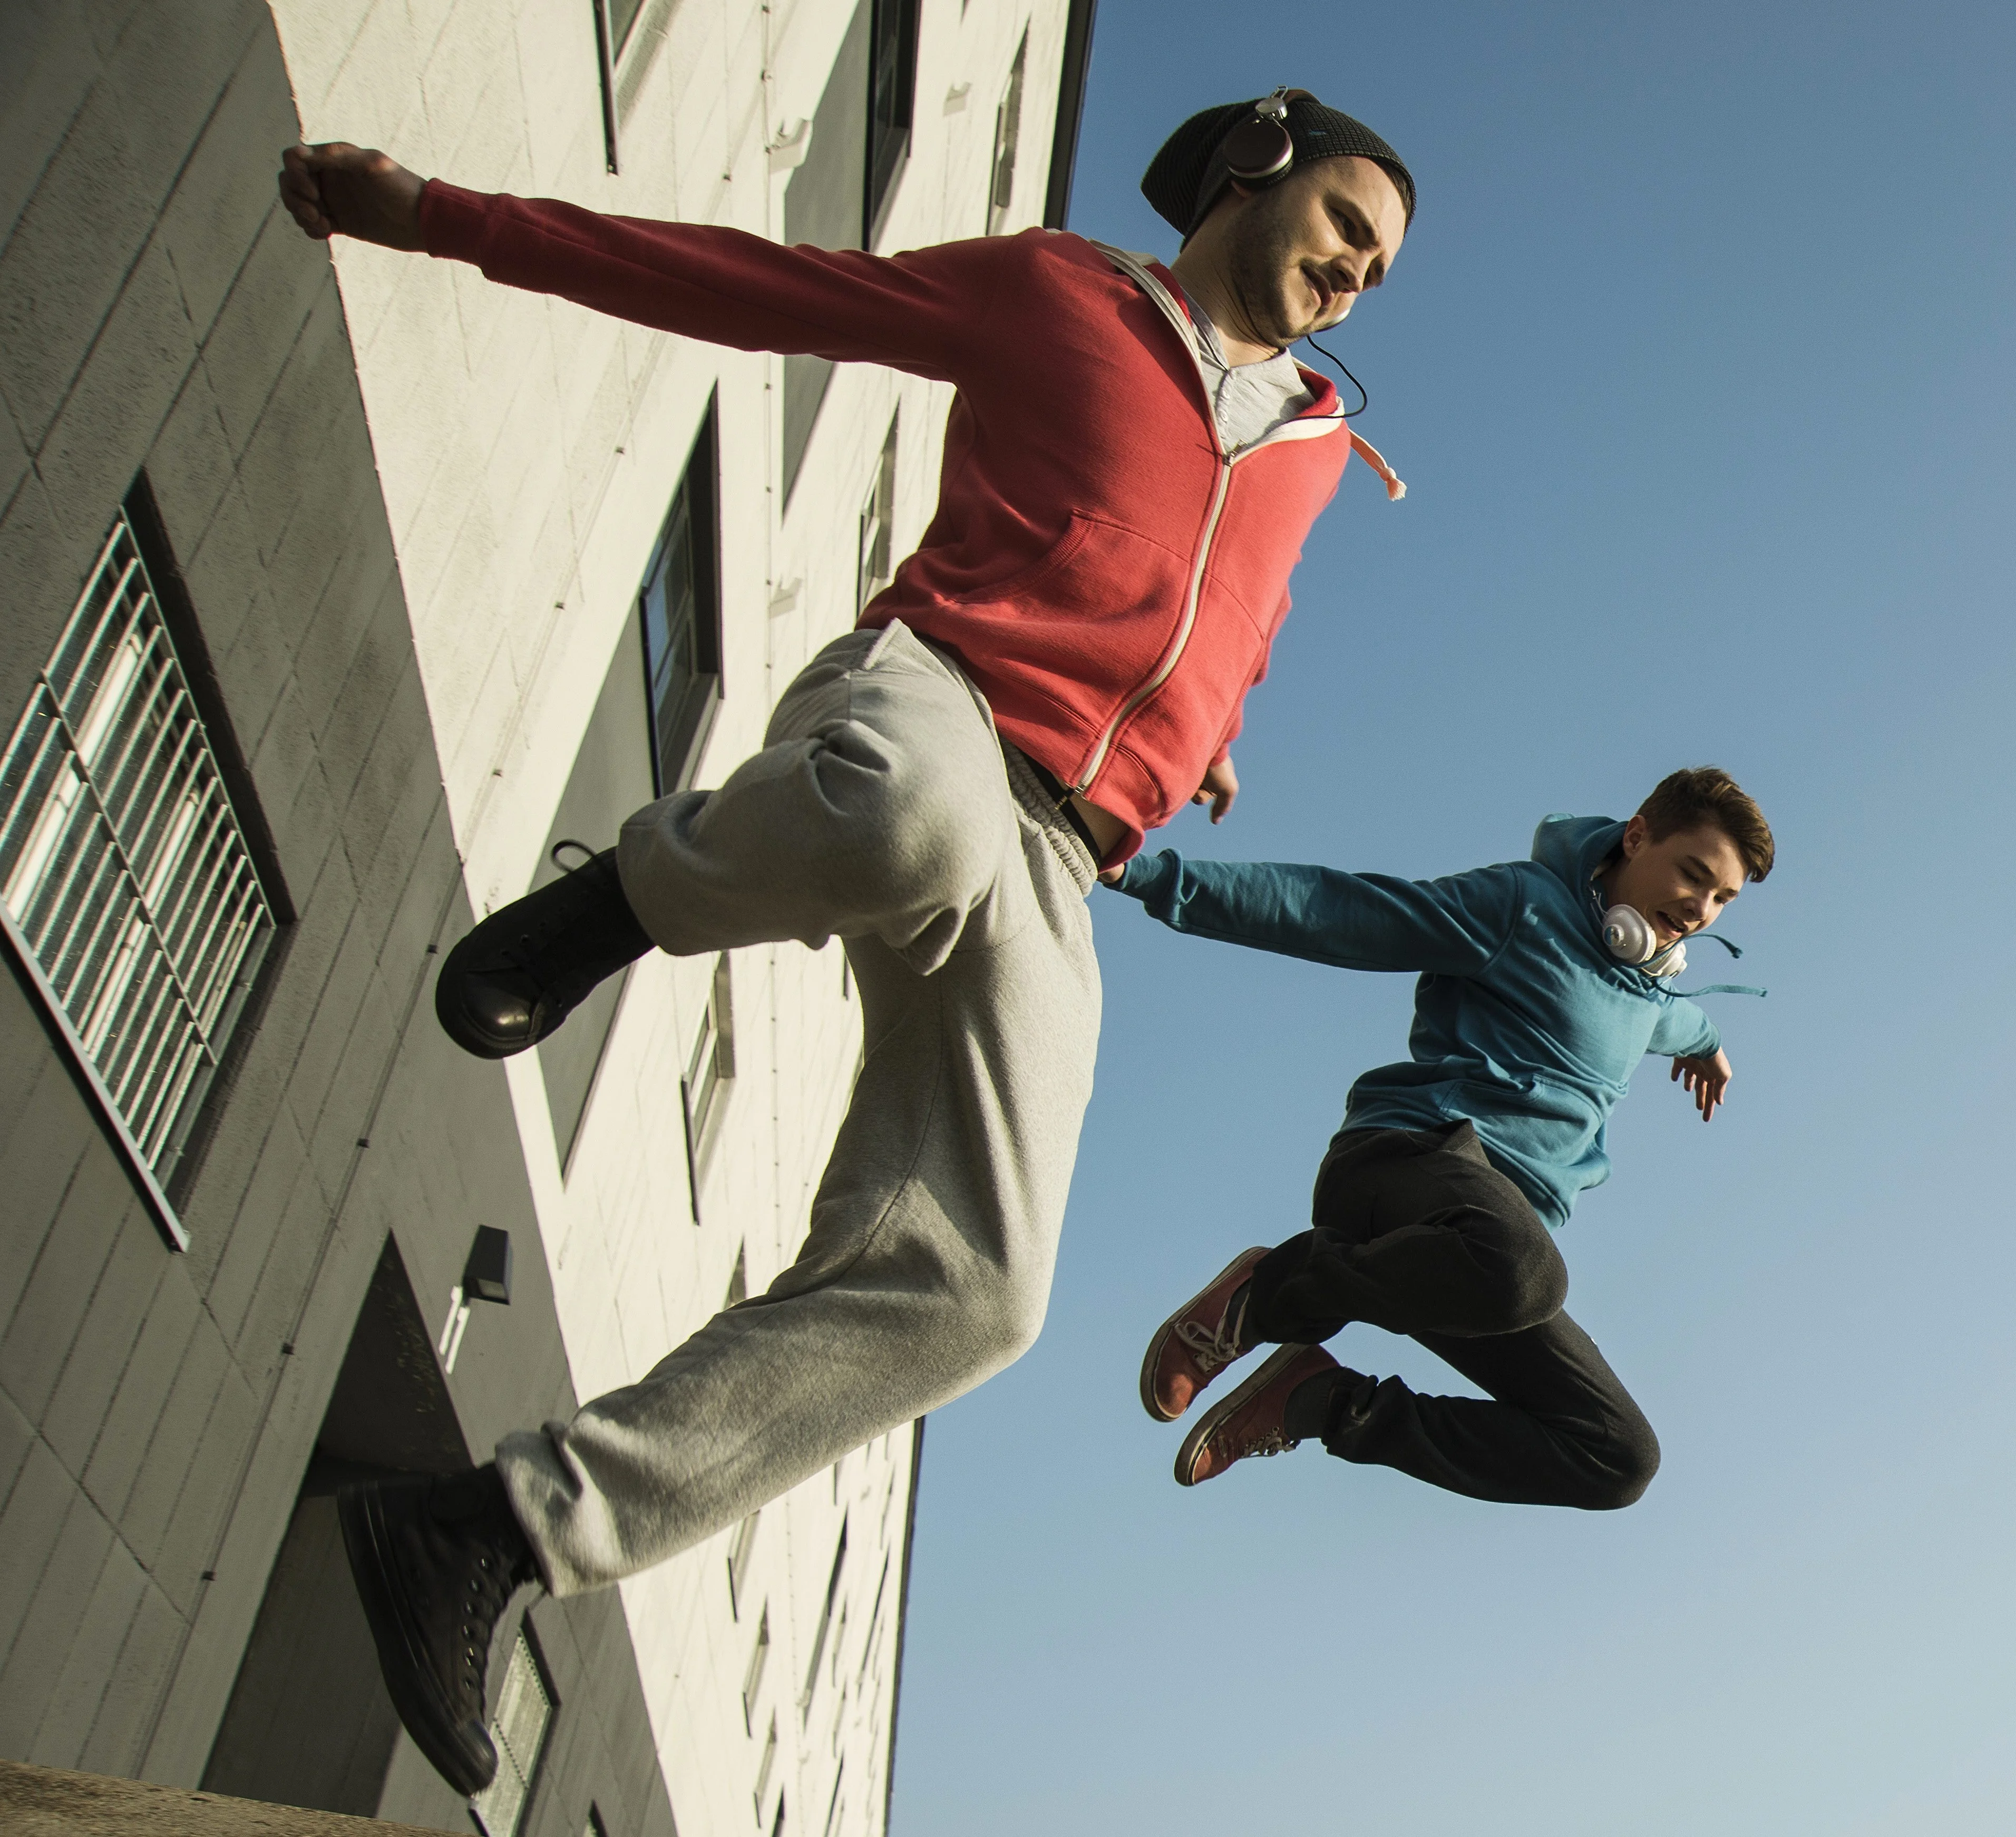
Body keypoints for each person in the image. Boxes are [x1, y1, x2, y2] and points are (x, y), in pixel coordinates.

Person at [274, 89, 1417, 1796]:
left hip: (1066, 851)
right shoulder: (1058, 296)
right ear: (1250, 165)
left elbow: (1226, 610)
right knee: (903, 816)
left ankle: (495, 1529)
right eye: (1344, 221)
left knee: (977, 1287)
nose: (1354, 272)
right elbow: (751, 284)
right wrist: (434, 214)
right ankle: (621, 900)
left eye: (1380, 267)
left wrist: (1204, 729)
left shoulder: (1320, 447)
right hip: (934, 704)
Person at [1114, 767, 1774, 1508]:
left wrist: (1707, 1040)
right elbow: (1347, 911)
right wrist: (1148, 876)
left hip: (1476, 1264)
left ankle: (1318, 1400)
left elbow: (1679, 1020)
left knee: (1617, 1455)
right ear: (1637, 834)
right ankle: (1268, 1295)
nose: (1703, 909)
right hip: (1406, 1162)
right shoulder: (1522, 907)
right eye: (1695, 875)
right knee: (1530, 1268)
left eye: (1723, 898)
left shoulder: (1648, 993)